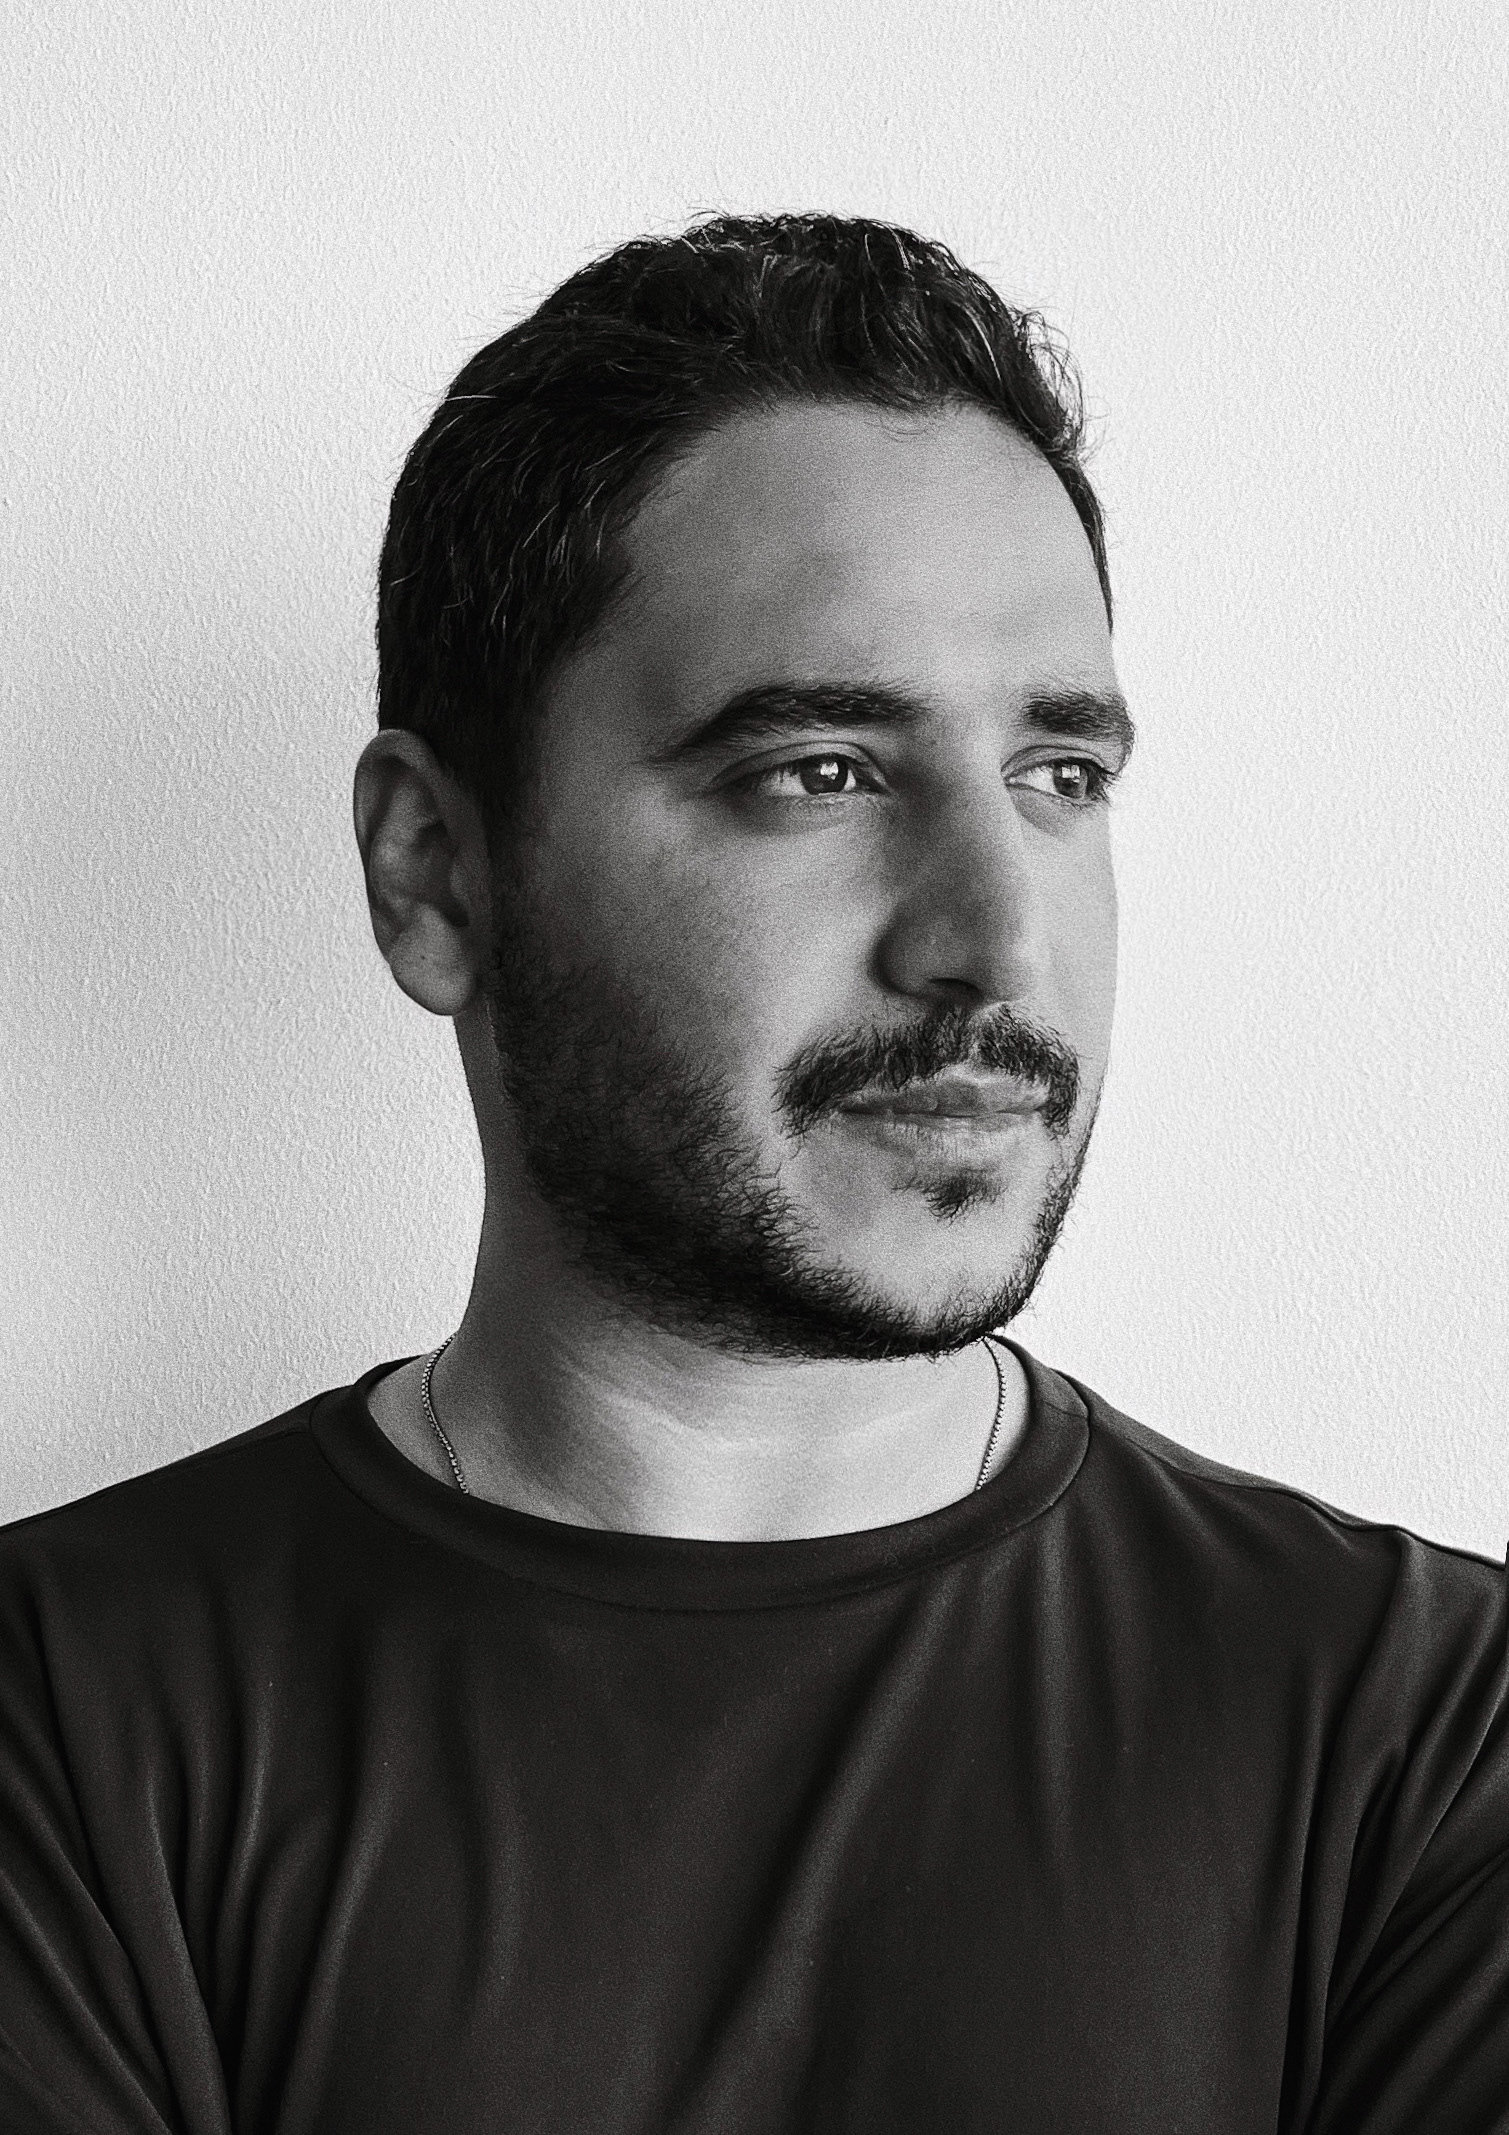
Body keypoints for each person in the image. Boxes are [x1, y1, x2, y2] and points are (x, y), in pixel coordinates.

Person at [1, 214, 1504, 2135]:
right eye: (820, 770)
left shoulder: (1429, 1736)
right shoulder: (58, 1725)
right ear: (435, 873)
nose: (993, 942)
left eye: (1057, 777)